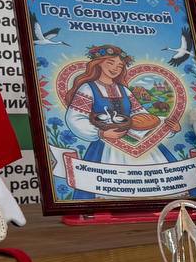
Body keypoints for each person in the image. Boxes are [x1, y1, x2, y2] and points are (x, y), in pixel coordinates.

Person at [63, 45, 179, 198]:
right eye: (110, 63)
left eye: (119, 66)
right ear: (98, 63)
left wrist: (167, 125)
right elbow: (75, 118)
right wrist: (101, 133)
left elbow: (142, 117)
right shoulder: (88, 88)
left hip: (135, 144)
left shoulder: (124, 90)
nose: (115, 68)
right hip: (105, 145)